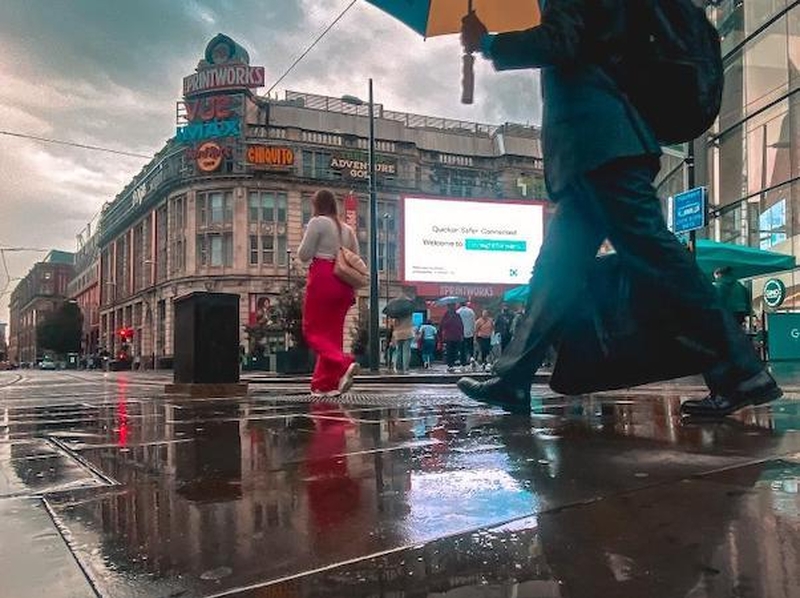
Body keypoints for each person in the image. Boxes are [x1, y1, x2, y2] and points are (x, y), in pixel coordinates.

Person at [458, 2, 781, 417]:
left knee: (659, 260)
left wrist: (487, 43)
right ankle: (512, 377)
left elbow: (562, 40)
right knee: (558, 270)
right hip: (597, 148)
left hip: (600, 144)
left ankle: (742, 370)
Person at [297, 189, 360, 397]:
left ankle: (344, 362)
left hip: (323, 277)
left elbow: (304, 255)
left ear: (317, 205)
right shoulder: (347, 230)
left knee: (311, 329)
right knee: (332, 336)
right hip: (344, 283)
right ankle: (325, 385)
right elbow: (356, 259)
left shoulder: (317, 223)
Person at [440, 304, 464, 373]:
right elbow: (443, 325)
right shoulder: (446, 315)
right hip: (449, 336)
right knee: (449, 350)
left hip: (456, 336)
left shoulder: (457, 315)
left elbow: (461, 325)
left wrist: (461, 334)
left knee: (454, 351)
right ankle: (450, 364)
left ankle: (452, 363)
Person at [456, 302, 476, 368]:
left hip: (461, 333)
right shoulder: (471, 311)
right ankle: (472, 358)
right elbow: (473, 321)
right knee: (470, 347)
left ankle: (463, 363)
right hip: (470, 332)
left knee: (462, 348)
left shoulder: (458, 312)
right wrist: (473, 330)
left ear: (460, 304)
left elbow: (457, 324)